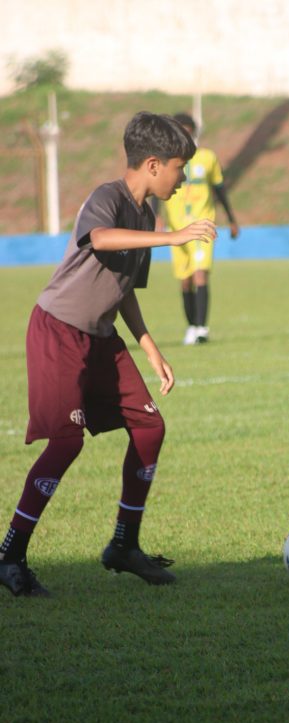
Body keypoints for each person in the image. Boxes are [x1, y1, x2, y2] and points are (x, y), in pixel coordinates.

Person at [0, 111, 217, 597]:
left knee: (150, 426)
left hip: (101, 338)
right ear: (154, 165)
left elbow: (124, 290)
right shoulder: (108, 198)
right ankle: (10, 555)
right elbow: (100, 239)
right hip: (58, 332)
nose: (183, 179)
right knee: (66, 442)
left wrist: (150, 348)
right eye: (180, 168)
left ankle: (124, 544)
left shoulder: (146, 216)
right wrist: (174, 238)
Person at [163, 112, 239, 345]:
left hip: (202, 225)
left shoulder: (207, 158)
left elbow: (219, 189)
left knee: (200, 274)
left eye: (189, 132)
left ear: (194, 133)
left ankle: (202, 328)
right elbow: (158, 189)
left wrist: (231, 219)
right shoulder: (167, 158)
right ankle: (192, 327)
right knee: (185, 279)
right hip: (176, 228)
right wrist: (155, 217)